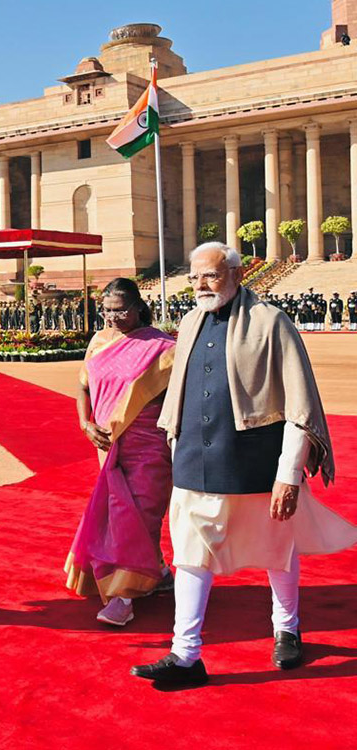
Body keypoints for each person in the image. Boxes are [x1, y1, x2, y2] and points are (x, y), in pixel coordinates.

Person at [131, 243, 357, 687]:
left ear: (236, 274)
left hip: (256, 464)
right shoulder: (190, 322)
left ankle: (287, 628)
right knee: (190, 558)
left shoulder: (273, 323)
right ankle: (185, 656)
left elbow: (299, 404)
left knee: (278, 550)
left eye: (211, 276)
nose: (200, 286)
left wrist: (289, 475)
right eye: (194, 277)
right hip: (195, 463)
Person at [66, 278, 176, 627]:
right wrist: (85, 423)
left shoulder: (163, 347)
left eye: (121, 310)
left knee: (141, 516)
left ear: (139, 308)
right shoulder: (98, 341)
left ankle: (123, 597)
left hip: (148, 445)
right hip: (107, 444)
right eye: (108, 310)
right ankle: (156, 570)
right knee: (116, 512)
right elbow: (82, 387)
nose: (113, 317)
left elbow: (177, 400)